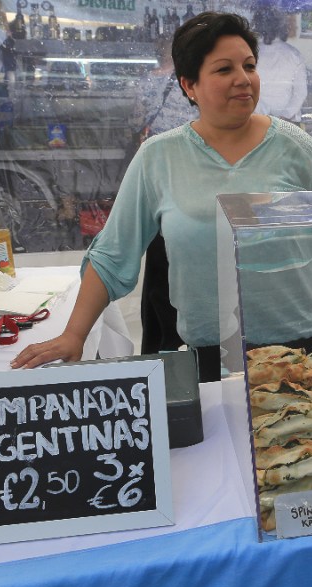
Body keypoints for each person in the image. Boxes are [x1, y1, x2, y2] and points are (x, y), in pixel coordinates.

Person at [12, 12, 312, 379]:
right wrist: (73, 334)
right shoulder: (159, 157)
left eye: (249, 65)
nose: (243, 79)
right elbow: (112, 255)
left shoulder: (293, 145)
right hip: (214, 354)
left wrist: (285, 222)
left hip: (309, 348)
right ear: (189, 85)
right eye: (224, 70)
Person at [129, 34, 199, 355]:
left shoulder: (146, 83)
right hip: (192, 173)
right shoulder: (191, 87)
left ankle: (158, 344)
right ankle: (177, 339)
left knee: (159, 261)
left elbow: (135, 122)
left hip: (158, 177)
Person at [251, 7, 307, 123]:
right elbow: (300, 93)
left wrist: (263, 114)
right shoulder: (294, 55)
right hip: (288, 124)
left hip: (257, 121)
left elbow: (245, 89)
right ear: (281, 27)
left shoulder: (249, 54)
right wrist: (284, 117)